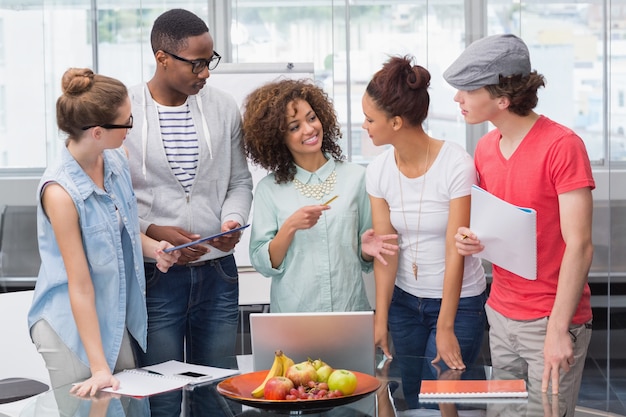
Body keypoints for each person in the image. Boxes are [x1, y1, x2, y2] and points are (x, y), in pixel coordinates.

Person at [444, 33, 594, 415]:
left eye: (467, 89)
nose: (458, 98)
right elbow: (499, 225)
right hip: (501, 311)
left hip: (550, 319)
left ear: (502, 99)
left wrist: (559, 330)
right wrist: (472, 239)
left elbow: (580, 246)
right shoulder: (485, 148)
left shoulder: (563, 146)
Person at [27, 68, 180, 396]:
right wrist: (99, 369)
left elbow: (121, 232)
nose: (130, 129)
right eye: (126, 122)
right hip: (69, 325)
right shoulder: (60, 192)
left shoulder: (116, 161)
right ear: (97, 132)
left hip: (112, 314)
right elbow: (80, 286)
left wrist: (156, 250)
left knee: (131, 406)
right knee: (93, 406)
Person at [124, 8, 253, 372]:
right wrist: (152, 229)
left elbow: (240, 181)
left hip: (218, 274)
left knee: (216, 391)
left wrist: (232, 220)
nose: (206, 73)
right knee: (160, 394)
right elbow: (113, 198)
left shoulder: (223, 107)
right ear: (162, 58)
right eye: (196, 64)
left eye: (209, 61)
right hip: (156, 274)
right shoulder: (125, 111)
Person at [362, 56, 487, 374]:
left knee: (442, 397)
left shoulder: (456, 164)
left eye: (369, 119)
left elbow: (454, 249)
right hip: (404, 304)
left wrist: (446, 327)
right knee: (415, 398)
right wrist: (381, 320)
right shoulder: (378, 171)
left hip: (458, 306)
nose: (364, 126)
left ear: (395, 123)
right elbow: (386, 251)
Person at [242, 78, 397, 313]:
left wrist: (365, 251)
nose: (309, 129)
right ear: (277, 137)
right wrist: (289, 227)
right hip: (294, 317)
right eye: (294, 127)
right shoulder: (269, 189)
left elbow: (365, 256)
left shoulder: (357, 178)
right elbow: (264, 264)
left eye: (312, 118)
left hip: (349, 312)